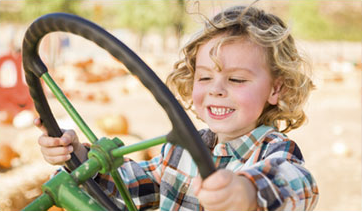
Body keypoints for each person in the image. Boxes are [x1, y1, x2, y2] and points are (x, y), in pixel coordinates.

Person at [35, 4, 319, 211]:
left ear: (276, 89)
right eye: (204, 77)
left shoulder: (273, 152)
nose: (216, 88)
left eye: (236, 79)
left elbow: (300, 185)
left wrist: (247, 191)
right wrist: (79, 155)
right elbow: (132, 187)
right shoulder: (181, 149)